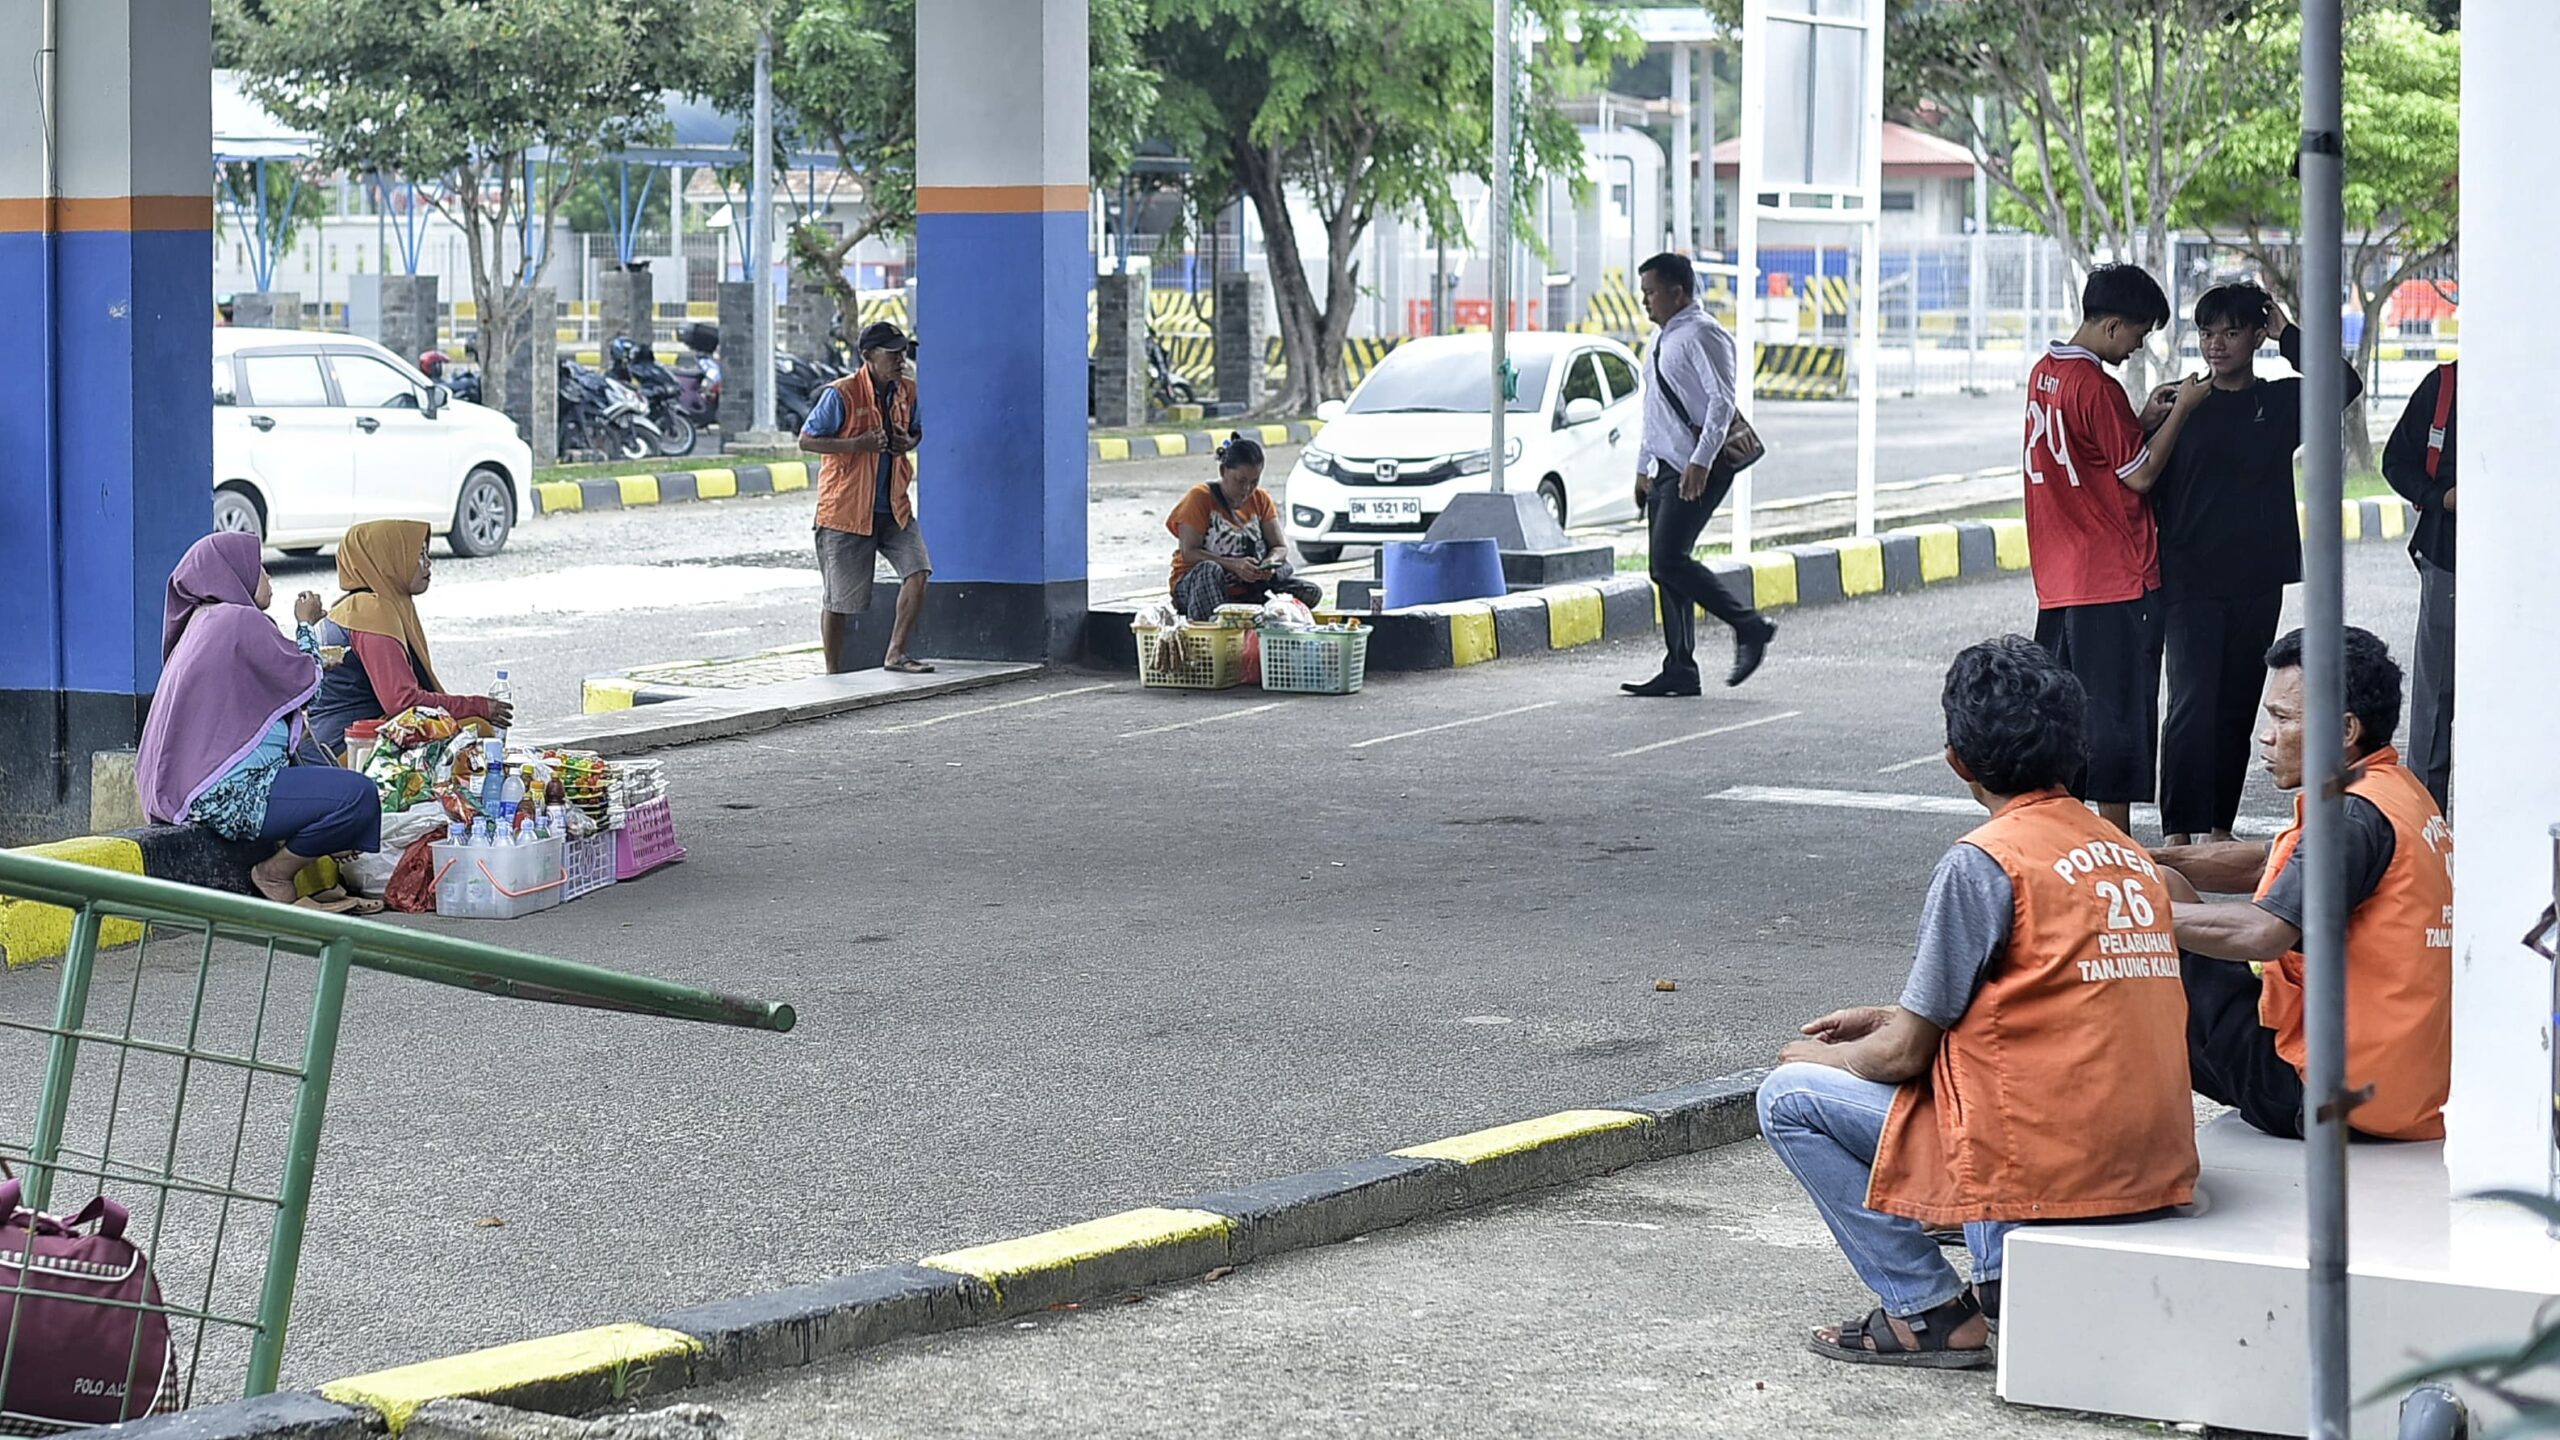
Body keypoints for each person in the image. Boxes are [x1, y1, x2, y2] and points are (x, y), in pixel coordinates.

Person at [2154, 627, 2453, 1142]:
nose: (2265, 736)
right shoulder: (2397, 793)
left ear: (2344, 730)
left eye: (2283, 719)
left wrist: (2113, 911)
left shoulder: (2350, 818)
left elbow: (2265, 933)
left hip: (2324, 1094)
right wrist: (2139, 856)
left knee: (2151, 898)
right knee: (2157, 875)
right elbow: (2264, 863)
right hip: (2403, 1088)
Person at [2151, 284, 2363, 845]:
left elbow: (2343, 384)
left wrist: (2287, 333)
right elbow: (2143, 474)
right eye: (2207, 333)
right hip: (2190, 578)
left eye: (2230, 332)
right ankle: (2179, 831)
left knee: (2239, 701)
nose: (2215, 344)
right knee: (2191, 703)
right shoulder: (2180, 403)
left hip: (2256, 576)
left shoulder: (2279, 402)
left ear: (2254, 335)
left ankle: (2218, 826)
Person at [2021, 262, 2210, 835]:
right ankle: (2116, 841)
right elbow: (2140, 476)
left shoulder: (2046, 372)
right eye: (2137, 334)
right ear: (2111, 326)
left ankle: (2065, 832)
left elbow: (2093, 453)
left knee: (2063, 711)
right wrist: (2180, 410)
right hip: (2115, 575)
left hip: (2060, 576)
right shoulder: (2097, 386)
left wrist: (2142, 417)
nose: (2135, 347)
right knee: (2117, 717)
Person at [137, 533, 385, 907]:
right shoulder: (240, 620)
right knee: (360, 797)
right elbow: (305, 680)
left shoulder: (202, 623)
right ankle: (275, 873)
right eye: (260, 568)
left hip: (198, 792)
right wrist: (306, 625)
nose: (267, 577)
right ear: (234, 573)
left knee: (311, 760)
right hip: (231, 793)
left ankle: (313, 870)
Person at [1624, 250, 1775, 696]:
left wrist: (1700, 462)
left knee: (1668, 558)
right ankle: (1680, 667)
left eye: (1651, 293)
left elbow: (1721, 402)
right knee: (1663, 567)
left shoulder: (1703, 334)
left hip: (1698, 467)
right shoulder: (1661, 339)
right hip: (1667, 466)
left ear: (1678, 291)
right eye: (1643, 293)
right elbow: (1656, 413)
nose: (1645, 302)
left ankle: (1748, 626)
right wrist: (1642, 467)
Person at [307, 520, 512, 758]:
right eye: (417, 555)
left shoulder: (353, 606)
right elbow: (402, 702)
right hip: (349, 748)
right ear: (389, 560)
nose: (427, 563)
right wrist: (478, 706)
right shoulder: (370, 610)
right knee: (478, 728)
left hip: (332, 739)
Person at [800, 320, 932, 675]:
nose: (901, 360)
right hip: (845, 510)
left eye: (903, 352)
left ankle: (896, 654)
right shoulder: (840, 393)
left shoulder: (908, 391)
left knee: (918, 571)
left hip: (894, 506)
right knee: (841, 601)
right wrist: (857, 445)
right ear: (868, 357)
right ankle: (833, 671)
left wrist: (909, 442)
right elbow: (807, 440)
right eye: (893, 354)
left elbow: (916, 431)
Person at [2383, 362, 2457, 809]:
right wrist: (2440, 498)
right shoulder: (2445, 386)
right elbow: (2395, 461)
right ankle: (2425, 816)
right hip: (2447, 556)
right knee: (2436, 694)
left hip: (2528, 564)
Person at [1166, 434, 1322, 621]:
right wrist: (1233, 565)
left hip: (1249, 589)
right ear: (1223, 471)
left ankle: (1250, 619)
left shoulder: (1261, 499)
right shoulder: (1200, 497)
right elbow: (1189, 552)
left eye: (1254, 482)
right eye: (1240, 481)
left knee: (1311, 592)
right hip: (1198, 586)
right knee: (1210, 569)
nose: (1247, 489)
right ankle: (1218, 628)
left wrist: (1267, 564)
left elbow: (1280, 547)